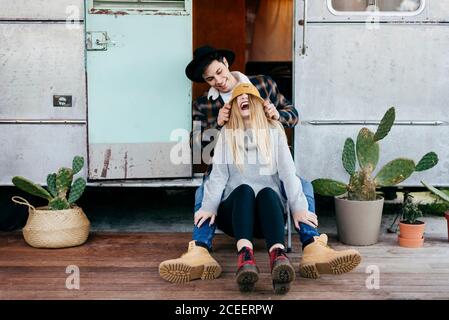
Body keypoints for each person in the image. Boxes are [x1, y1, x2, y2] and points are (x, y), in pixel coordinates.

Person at [159, 46, 361, 284]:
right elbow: (196, 149)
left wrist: (277, 116)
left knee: (299, 182)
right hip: (230, 171)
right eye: (210, 79)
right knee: (206, 187)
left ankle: (313, 246)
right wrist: (217, 124)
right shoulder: (204, 105)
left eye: (220, 72)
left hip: (268, 167)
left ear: (225, 62)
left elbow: (293, 115)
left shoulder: (262, 85)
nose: (219, 81)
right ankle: (200, 251)